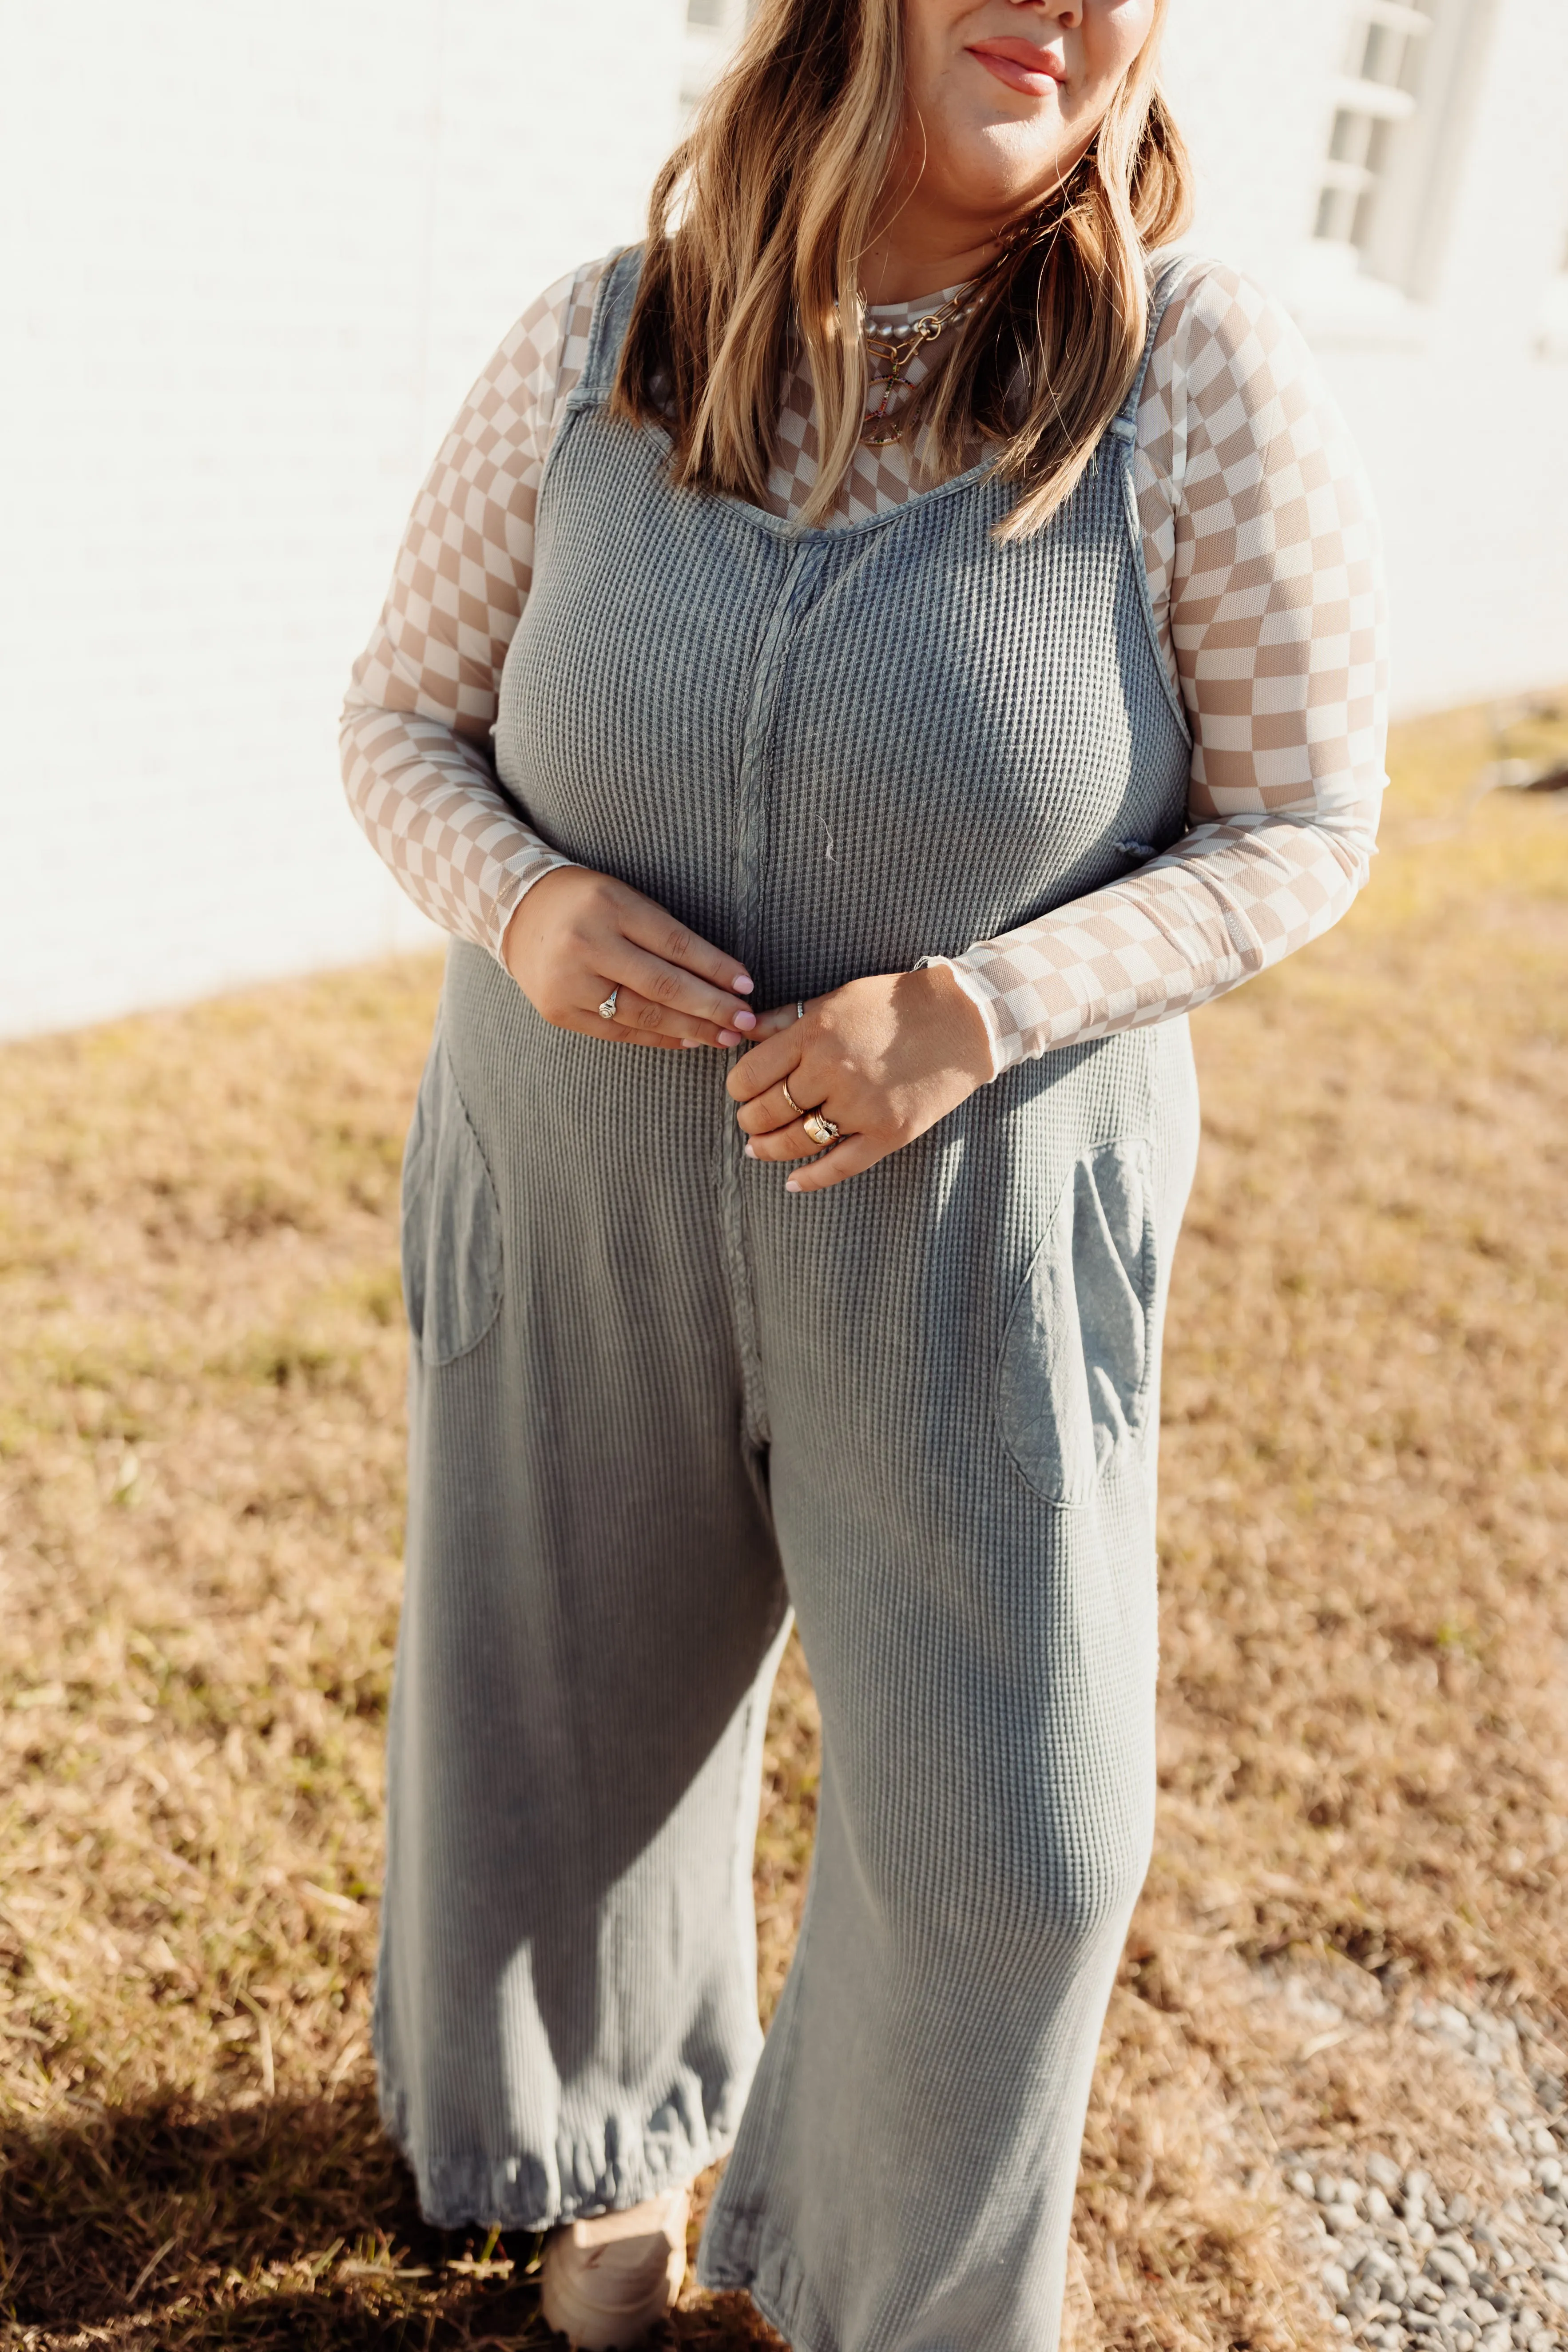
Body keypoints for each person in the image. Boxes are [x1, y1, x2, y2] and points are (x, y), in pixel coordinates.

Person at [339, 2, 1387, 2344]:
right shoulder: (604, 332)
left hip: (969, 1238)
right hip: (577, 1187)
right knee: (563, 1713)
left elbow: (1307, 819)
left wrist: (977, 1008)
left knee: (1023, 1832)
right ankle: (598, 2155)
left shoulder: (1196, 368)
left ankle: (884, 2289)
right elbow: (398, 717)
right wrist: (518, 904)